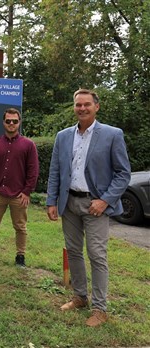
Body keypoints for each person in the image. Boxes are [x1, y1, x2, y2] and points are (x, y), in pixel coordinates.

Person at [47, 89, 131, 327]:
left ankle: (100, 308)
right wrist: (51, 201)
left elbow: (123, 173)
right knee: (73, 251)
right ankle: (80, 297)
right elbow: (55, 171)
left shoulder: (112, 135)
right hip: (69, 203)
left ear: (97, 107)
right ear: (73, 107)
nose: (82, 108)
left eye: (86, 104)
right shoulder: (63, 136)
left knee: (97, 255)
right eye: (78, 105)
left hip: (96, 206)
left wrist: (105, 200)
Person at [0, 108, 39, 267]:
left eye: (15, 121)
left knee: (20, 227)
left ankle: (20, 255)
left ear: (19, 122)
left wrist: (27, 191)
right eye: (8, 121)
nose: (11, 124)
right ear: (3, 122)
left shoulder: (28, 145)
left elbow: (33, 170)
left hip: (19, 195)